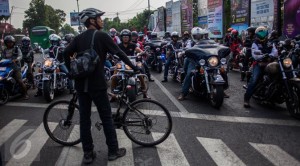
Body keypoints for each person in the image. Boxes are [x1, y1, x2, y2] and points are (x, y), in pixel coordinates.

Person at [64, 8, 143, 164]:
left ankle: (88, 154)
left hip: (81, 85)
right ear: (92, 21)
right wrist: (134, 68)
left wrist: (71, 72)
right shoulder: (102, 36)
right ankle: (113, 151)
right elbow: (119, 53)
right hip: (97, 84)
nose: (102, 20)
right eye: (99, 18)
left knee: (84, 119)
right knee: (106, 118)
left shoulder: (78, 38)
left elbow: (65, 53)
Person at [244, 26, 278, 108]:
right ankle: (246, 99)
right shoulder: (254, 43)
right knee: (254, 80)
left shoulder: (270, 43)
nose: (262, 36)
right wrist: (264, 56)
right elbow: (255, 55)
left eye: (263, 35)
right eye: (260, 35)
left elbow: (275, 52)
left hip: (270, 63)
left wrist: (271, 55)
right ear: (257, 35)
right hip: (259, 64)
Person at [110, 29, 150, 99]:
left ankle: (144, 93)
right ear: (121, 38)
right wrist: (111, 54)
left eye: (127, 37)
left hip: (132, 63)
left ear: (129, 37)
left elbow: (138, 49)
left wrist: (143, 52)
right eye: (124, 37)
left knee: (140, 75)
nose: (125, 38)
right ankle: (113, 94)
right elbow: (114, 51)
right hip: (121, 63)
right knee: (114, 76)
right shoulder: (119, 45)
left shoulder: (133, 45)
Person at [178, 27, 203, 100]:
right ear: (193, 36)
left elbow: (212, 46)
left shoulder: (205, 41)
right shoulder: (190, 42)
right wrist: (183, 52)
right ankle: (183, 93)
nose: (198, 37)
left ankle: (221, 89)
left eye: (199, 36)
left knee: (219, 69)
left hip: (204, 61)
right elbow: (187, 48)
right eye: (196, 36)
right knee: (189, 74)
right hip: (194, 61)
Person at [1, 35, 29, 99]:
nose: (9, 43)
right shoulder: (4, 50)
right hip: (6, 67)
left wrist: (16, 59)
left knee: (19, 81)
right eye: (8, 42)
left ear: (13, 42)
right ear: (5, 43)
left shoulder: (16, 49)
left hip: (15, 67)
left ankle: (25, 94)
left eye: (11, 42)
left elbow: (20, 56)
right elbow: (2, 57)